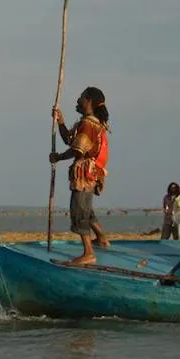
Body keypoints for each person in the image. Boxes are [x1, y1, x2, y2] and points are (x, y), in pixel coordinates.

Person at [49, 87, 111, 265]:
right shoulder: (92, 123)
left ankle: (88, 253)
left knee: (79, 211)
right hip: (90, 175)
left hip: (84, 175)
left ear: (89, 100)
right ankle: (101, 238)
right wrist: (61, 122)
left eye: (81, 97)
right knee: (86, 209)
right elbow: (71, 140)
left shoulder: (89, 124)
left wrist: (59, 157)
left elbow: (78, 149)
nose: (78, 100)